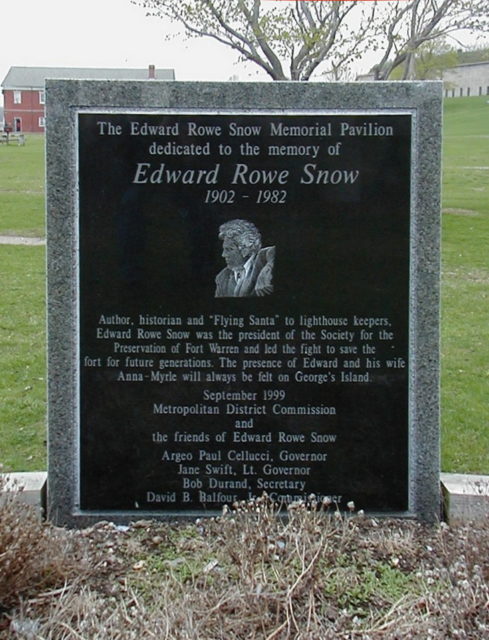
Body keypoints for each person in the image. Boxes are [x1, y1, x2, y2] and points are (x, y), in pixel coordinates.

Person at [215, 219, 275, 297]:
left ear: (245, 249)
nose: (223, 255)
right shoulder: (222, 277)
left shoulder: (262, 260)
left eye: (229, 249)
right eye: (224, 249)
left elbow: (273, 251)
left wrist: (267, 270)